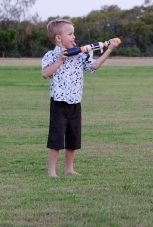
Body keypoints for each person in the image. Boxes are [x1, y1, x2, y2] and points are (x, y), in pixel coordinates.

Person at [41, 18, 120, 177]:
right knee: (56, 137)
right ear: (58, 38)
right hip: (59, 103)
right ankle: (52, 170)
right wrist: (60, 60)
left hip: (75, 102)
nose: (73, 37)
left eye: (73, 34)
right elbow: (45, 74)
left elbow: (94, 66)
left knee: (73, 136)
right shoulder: (50, 55)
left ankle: (69, 168)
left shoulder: (79, 55)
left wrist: (109, 49)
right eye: (70, 34)